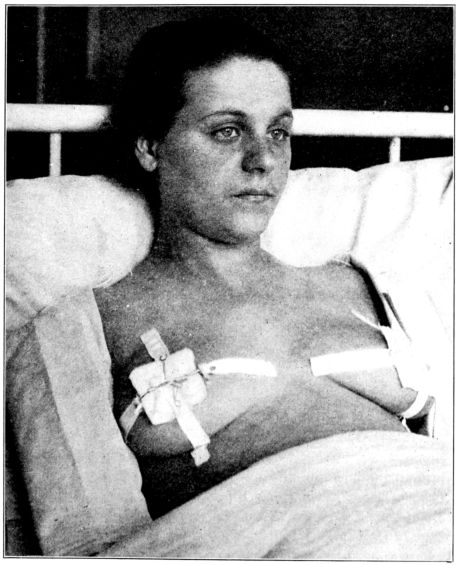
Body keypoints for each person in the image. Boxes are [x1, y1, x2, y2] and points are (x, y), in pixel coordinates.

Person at [95, 17, 433, 520]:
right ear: (150, 146)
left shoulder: (360, 285)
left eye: (278, 132)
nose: (263, 160)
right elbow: (79, 529)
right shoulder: (97, 318)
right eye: (227, 131)